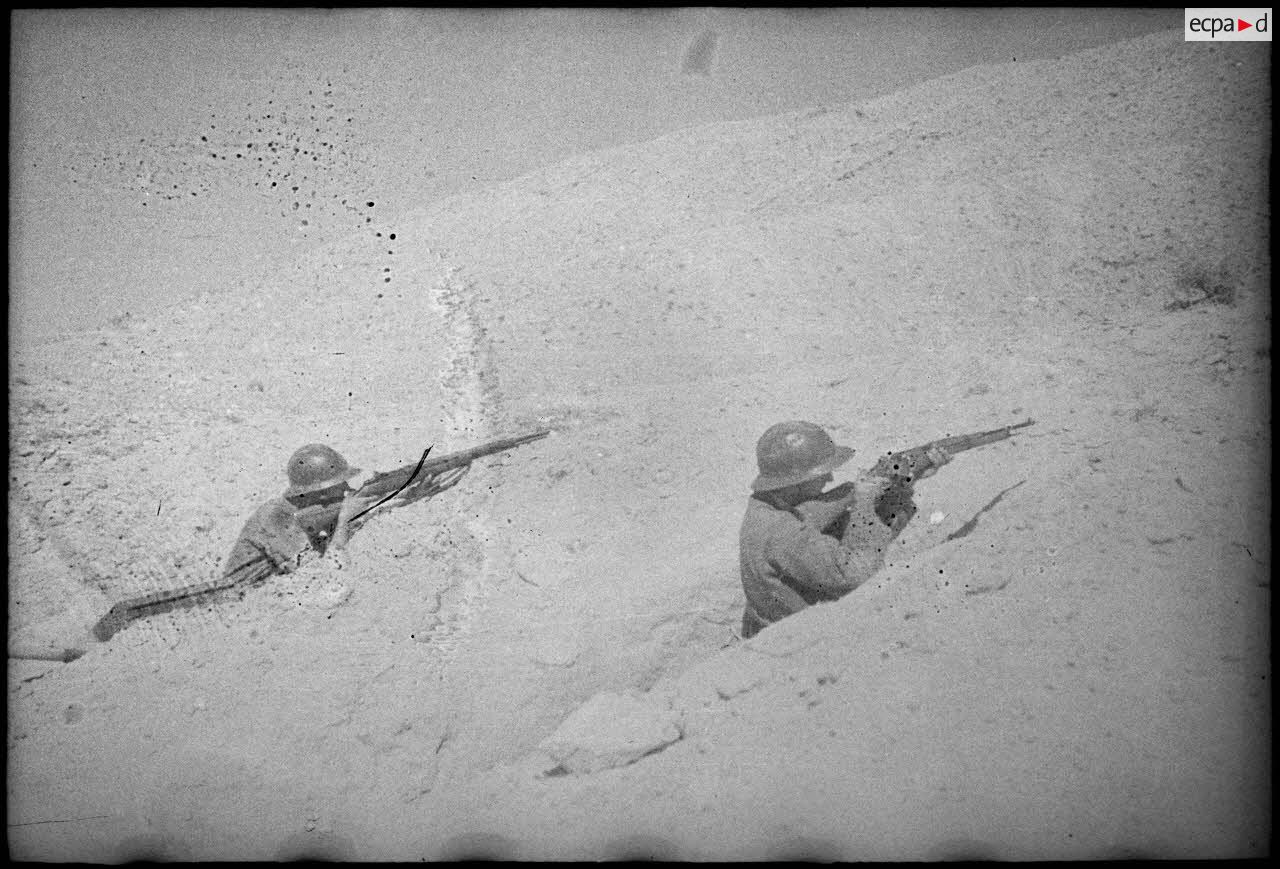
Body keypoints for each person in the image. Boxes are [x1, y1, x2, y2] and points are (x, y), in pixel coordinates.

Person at [738, 421, 949, 638]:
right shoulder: (784, 531)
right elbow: (855, 573)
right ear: (797, 480)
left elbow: (866, 539)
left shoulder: (766, 509)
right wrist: (864, 503)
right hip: (799, 642)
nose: (829, 478)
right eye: (822, 474)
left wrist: (901, 485)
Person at [221, 443, 467, 586]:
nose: (347, 490)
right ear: (318, 492)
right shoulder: (278, 518)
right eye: (339, 488)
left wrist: (402, 496)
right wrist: (346, 521)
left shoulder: (306, 510)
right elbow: (321, 577)